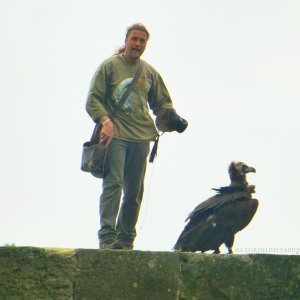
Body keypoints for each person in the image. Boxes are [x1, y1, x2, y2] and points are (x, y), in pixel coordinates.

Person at [86, 23, 187, 250]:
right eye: (134, 39)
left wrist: (173, 118)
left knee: (134, 192)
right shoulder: (110, 67)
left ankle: (126, 240)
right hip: (116, 135)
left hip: (142, 137)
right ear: (126, 40)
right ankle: (108, 239)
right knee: (114, 185)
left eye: (142, 41)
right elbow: (93, 99)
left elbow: (162, 103)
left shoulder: (149, 72)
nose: (138, 44)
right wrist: (106, 122)